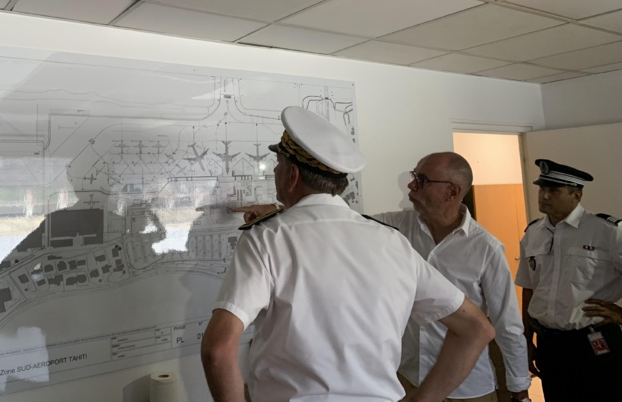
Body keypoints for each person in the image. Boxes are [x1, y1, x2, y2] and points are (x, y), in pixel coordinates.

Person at [201, 107, 495, 402]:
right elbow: (476, 328)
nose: (274, 172)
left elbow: (218, 350)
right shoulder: (394, 242)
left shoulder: (266, 237)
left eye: (278, 164)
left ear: (292, 175)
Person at [237, 152, 532, 402]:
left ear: (452, 192)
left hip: (466, 387)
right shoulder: (394, 229)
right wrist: (280, 211)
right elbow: (335, 220)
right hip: (407, 379)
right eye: (414, 176)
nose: (411, 185)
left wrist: (520, 388)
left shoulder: (486, 248)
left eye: (422, 180)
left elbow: (506, 323)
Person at [515, 159, 622, 401]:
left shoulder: (607, 231)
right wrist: (526, 339)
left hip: (596, 342)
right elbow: (529, 287)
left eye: (554, 190)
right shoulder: (533, 233)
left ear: (576, 194)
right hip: (550, 344)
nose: (544, 195)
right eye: (542, 188)